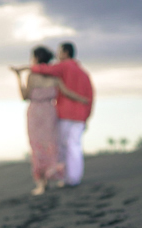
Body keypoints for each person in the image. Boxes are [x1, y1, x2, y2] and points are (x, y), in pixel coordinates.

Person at [11, 46, 90, 195]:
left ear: (36, 58)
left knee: (37, 146)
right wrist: (82, 100)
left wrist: (18, 77)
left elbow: (24, 96)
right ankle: (55, 174)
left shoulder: (32, 76)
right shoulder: (54, 76)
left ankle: (42, 183)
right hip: (50, 112)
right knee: (52, 144)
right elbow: (67, 92)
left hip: (35, 112)